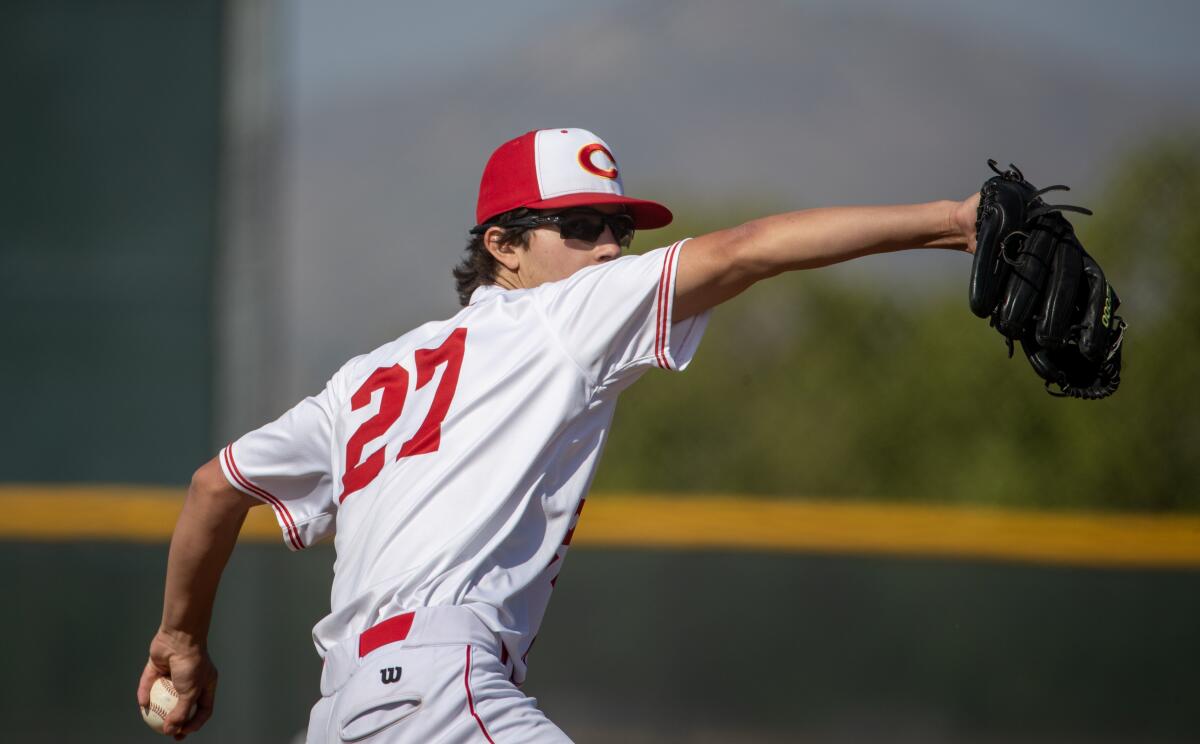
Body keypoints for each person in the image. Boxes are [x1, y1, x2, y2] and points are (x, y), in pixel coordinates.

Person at [138, 127, 980, 742]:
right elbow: (751, 249)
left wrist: (180, 639)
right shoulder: (560, 316)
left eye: (620, 229)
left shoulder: (363, 380)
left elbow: (217, 486)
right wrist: (953, 220)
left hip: (344, 714)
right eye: (579, 228)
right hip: (440, 690)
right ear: (503, 246)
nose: (610, 248)